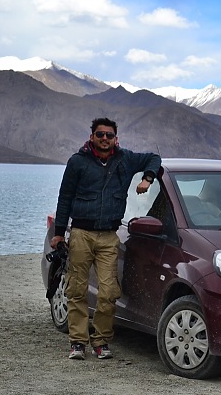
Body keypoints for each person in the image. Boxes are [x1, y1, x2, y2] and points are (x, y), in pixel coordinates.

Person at [50, 118, 161, 360]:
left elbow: (154, 157)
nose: (104, 138)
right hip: (81, 234)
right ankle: (78, 343)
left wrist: (147, 178)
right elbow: (65, 197)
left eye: (109, 135)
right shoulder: (77, 162)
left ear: (115, 139)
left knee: (109, 291)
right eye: (100, 134)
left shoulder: (125, 159)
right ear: (92, 137)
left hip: (110, 237)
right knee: (77, 289)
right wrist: (59, 232)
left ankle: (101, 342)